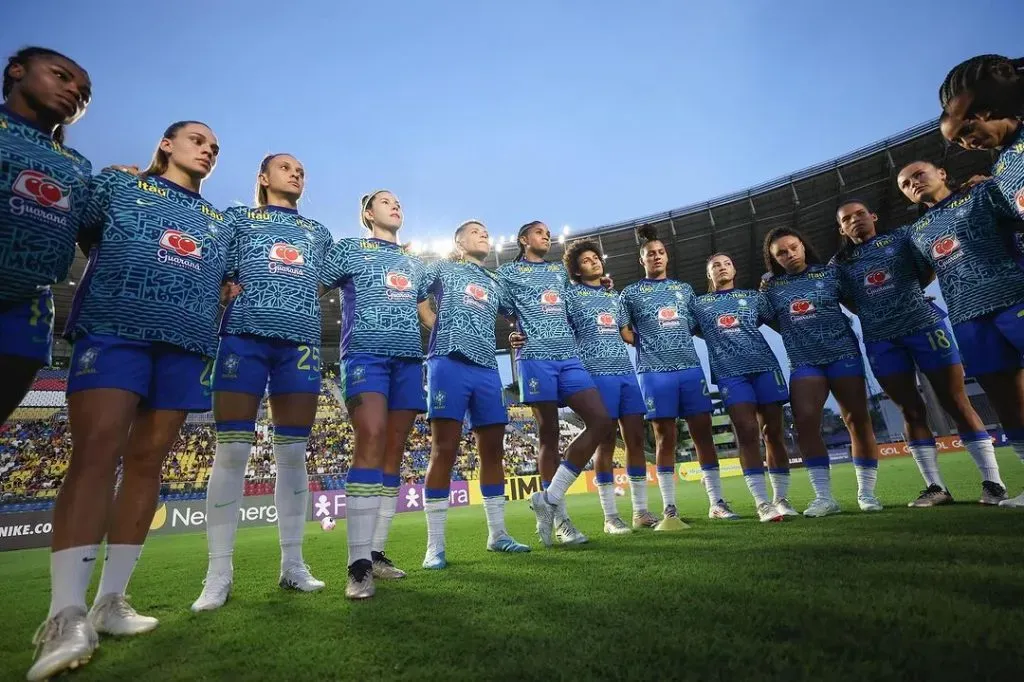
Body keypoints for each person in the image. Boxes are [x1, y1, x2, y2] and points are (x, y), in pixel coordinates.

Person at [29, 121, 233, 681]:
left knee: (149, 464)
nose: (209, 149)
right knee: (96, 453)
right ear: (166, 144)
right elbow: (82, 232)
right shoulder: (120, 187)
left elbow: (230, 280)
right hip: (116, 329)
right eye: (198, 139)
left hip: (187, 341)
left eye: (215, 147)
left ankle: (111, 600)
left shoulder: (220, 222)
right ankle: (63, 612)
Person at [191, 154, 334, 612]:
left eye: (301, 170)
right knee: (231, 451)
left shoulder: (319, 233)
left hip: (300, 344)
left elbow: (333, 282)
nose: (296, 173)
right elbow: (214, 271)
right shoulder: (237, 219)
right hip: (242, 338)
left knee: (293, 454)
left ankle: (293, 564)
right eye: (286, 167)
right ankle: (219, 573)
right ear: (263, 177)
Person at [832, 199, 1006, 506]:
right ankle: (935, 487)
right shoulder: (840, 264)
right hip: (881, 340)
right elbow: (848, 299)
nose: (856, 220)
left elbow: (927, 270)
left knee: (956, 401)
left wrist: (905, 298)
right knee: (909, 411)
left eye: (861, 213)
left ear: (874, 215)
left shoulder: (902, 237)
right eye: (848, 219)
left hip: (924, 327)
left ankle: (994, 483)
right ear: (842, 228)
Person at [896, 160, 1024, 508]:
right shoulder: (916, 231)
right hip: (968, 318)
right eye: (906, 184)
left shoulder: (983, 192)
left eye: (919, 174)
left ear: (940, 173)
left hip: (1015, 296)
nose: (914, 183)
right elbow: (920, 275)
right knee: (1006, 400)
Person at [319, 190, 426, 598]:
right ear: (367, 213)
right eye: (385, 201)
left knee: (395, 449)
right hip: (365, 354)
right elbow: (313, 284)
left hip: (408, 360)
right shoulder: (350, 249)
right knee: (372, 435)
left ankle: (377, 553)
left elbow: (430, 312)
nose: (395, 205)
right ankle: (357, 563)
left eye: (399, 201)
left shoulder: (415, 263)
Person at [418, 220, 530, 568]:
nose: (483, 234)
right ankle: (434, 546)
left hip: (485, 369)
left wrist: (517, 335)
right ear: (459, 241)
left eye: (485, 231)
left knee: (493, 452)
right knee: (444, 450)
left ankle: (498, 534)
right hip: (448, 363)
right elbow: (416, 291)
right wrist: (432, 321)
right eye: (475, 231)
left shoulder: (495, 282)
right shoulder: (443, 268)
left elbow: (524, 311)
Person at [497, 221, 615, 546]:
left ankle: (548, 498)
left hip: (569, 358)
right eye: (539, 232)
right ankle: (562, 522)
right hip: (535, 358)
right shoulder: (507, 272)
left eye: (548, 233)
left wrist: (599, 284)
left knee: (602, 420)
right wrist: (512, 332)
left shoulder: (559, 273)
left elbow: (575, 303)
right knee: (547, 433)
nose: (546, 236)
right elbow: (504, 311)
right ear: (523, 239)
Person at [761, 227, 882, 517]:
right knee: (804, 423)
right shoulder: (771, 288)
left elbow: (857, 303)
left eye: (793, 247)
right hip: (804, 362)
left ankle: (866, 493)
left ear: (803, 246)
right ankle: (824, 497)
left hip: (843, 355)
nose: (789, 254)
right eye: (781, 253)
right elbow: (765, 320)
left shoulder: (830, 274)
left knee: (857, 420)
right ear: (773, 259)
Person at [1, 47, 92, 427]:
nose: (74, 91)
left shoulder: (78, 166)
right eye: (61, 76)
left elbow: (92, 238)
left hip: (25, 314)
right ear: (17, 71)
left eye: (84, 93)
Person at [618, 226, 731, 528]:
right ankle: (669, 507)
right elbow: (623, 329)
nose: (655, 257)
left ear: (666, 257)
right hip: (654, 372)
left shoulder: (685, 290)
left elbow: (697, 325)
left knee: (703, 434)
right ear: (641, 260)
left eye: (660, 253)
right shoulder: (630, 293)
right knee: (664, 437)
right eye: (649, 254)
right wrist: (645, 343)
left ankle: (716, 502)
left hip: (690, 368)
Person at [562, 239, 658, 533]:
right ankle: (610, 516)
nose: (594, 262)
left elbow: (627, 334)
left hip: (625, 373)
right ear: (576, 271)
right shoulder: (571, 295)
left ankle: (641, 512)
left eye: (596, 258)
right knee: (603, 443)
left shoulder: (614, 297)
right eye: (586, 260)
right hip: (595, 373)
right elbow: (557, 326)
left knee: (636, 440)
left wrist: (659, 339)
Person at [689, 254, 790, 522]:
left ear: (735, 269)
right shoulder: (699, 304)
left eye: (726, 264)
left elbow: (777, 319)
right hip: (730, 374)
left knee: (774, 433)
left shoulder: (754, 297)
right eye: (715, 266)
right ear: (709, 275)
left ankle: (780, 498)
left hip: (765, 367)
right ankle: (762, 503)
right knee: (747, 432)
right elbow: (689, 329)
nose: (722, 268)